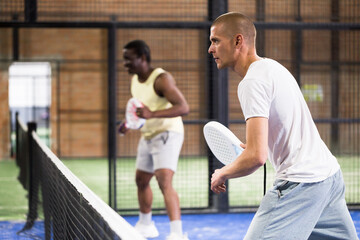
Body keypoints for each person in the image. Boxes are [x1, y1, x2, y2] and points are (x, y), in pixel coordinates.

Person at [208, 12, 358, 239]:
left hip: (300, 185)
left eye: (215, 41)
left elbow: (256, 158)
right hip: (329, 177)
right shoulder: (272, 68)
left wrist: (222, 173)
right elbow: (283, 127)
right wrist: (254, 146)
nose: (210, 49)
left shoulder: (251, 83)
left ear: (238, 41)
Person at [119, 40, 190, 240]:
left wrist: (152, 114)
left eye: (128, 59)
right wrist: (129, 123)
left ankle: (177, 234)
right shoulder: (135, 79)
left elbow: (183, 107)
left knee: (163, 180)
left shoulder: (161, 79)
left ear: (142, 58)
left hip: (168, 133)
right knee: (141, 180)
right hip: (148, 133)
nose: (125, 64)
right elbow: (143, 111)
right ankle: (145, 224)